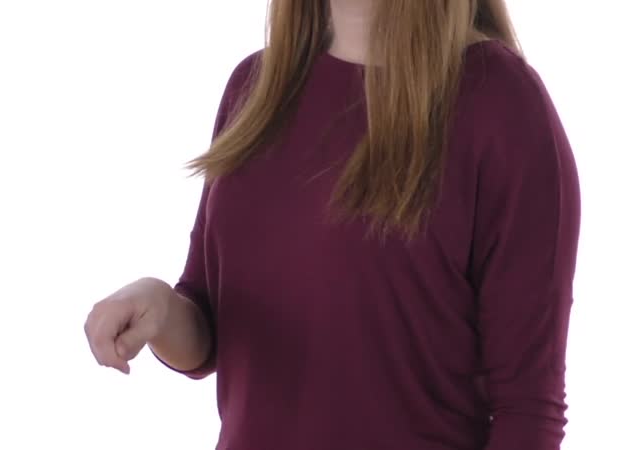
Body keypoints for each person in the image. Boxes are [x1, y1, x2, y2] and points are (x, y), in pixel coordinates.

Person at [84, 0, 581, 448]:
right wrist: (157, 306)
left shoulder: (501, 102)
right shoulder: (255, 89)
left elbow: (528, 410)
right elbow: (210, 329)